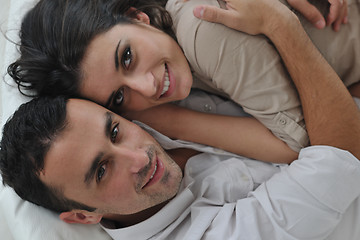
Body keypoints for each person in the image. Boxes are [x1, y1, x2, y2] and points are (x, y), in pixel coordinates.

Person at [2, 0, 360, 238]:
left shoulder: (143, 98)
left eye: (114, 130)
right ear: (82, 217)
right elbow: (342, 156)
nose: (140, 157)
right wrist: (280, 23)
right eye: (101, 171)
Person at [7, 0, 360, 158]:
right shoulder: (176, 50)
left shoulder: (203, 33)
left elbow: (325, 151)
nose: (146, 89)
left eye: (126, 57)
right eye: (118, 97)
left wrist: (172, 120)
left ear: (138, 17)